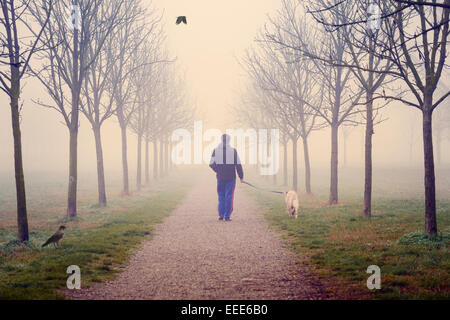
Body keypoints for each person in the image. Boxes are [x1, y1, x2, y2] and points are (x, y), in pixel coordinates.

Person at [209, 134, 244, 221]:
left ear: (221, 140)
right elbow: (238, 164)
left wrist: (218, 170)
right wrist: (241, 176)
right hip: (231, 177)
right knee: (229, 196)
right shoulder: (233, 151)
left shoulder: (216, 150)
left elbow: (211, 164)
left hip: (220, 177)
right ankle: (227, 216)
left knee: (221, 196)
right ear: (229, 141)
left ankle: (221, 214)